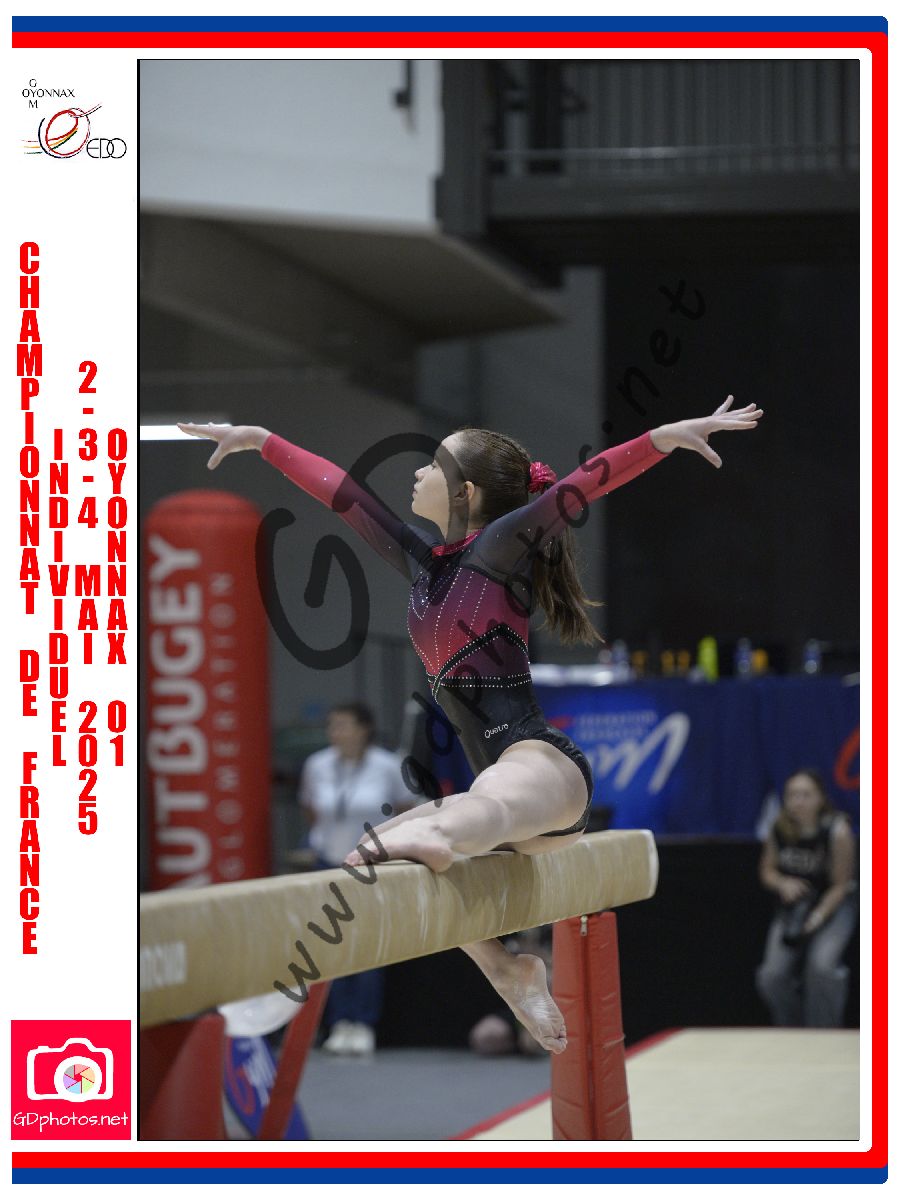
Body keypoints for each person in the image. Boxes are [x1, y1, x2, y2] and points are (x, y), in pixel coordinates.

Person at [178, 394, 762, 1052]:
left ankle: (437, 846)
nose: (417, 473)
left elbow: (582, 484)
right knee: (363, 859)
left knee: (442, 825)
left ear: (468, 492)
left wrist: (663, 436)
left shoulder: (501, 547)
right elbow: (344, 495)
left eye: (434, 464)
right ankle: (505, 969)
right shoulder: (424, 565)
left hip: (539, 768)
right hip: (495, 797)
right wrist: (263, 440)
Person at [299, 701, 415, 1055]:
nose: (335, 732)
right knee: (331, 945)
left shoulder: (387, 765)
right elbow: (311, 809)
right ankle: (338, 1021)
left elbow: (407, 809)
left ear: (364, 729)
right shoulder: (317, 764)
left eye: (343, 725)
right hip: (328, 862)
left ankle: (362, 1022)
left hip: (370, 866)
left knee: (366, 944)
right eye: (331, 726)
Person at [755, 768, 857, 1028]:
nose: (798, 802)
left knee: (822, 969)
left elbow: (841, 884)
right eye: (792, 795)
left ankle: (823, 1031)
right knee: (771, 976)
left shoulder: (837, 830)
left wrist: (817, 917)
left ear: (821, 798)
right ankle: (792, 1028)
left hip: (833, 906)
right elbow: (767, 870)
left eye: (806, 795)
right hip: (794, 908)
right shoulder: (779, 828)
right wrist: (782, 883)